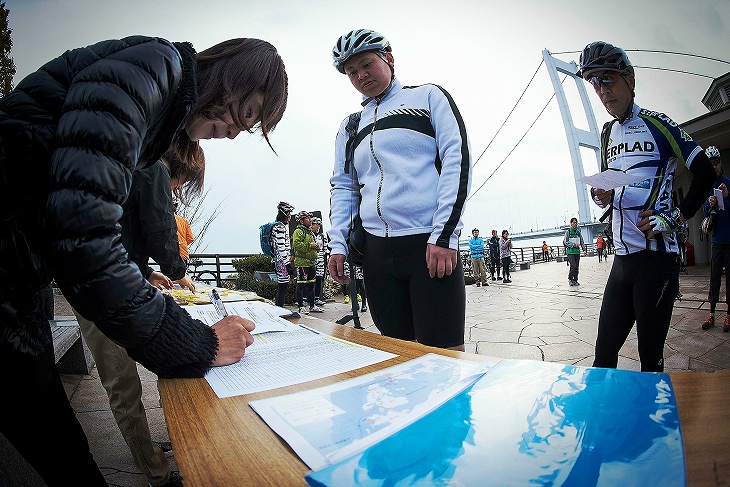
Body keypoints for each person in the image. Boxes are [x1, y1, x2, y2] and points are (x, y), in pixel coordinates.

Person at [0, 36, 288, 486]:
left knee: (60, 444)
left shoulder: (155, 113)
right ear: (233, 77)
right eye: (245, 114)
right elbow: (85, 238)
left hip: (19, 278)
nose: (234, 132)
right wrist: (199, 345)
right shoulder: (152, 67)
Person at [327, 29, 471, 351]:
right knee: (396, 355)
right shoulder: (351, 126)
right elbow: (345, 186)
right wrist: (338, 243)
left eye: (367, 65)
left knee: (445, 354)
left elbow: (456, 160)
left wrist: (445, 235)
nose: (361, 76)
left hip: (429, 245)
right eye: (352, 72)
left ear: (388, 59)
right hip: (377, 254)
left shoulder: (428, 97)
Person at [72, 147, 205, 487]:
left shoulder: (133, 164)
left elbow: (119, 233)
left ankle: (150, 451)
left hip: (103, 279)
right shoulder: (154, 167)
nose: (177, 189)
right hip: (97, 288)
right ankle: (157, 475)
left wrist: (145, 272)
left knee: (129, 375)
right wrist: (176, 271)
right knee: (122, 382)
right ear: (182, 164)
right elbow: (161, 233)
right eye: (183, 182)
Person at [579, 41, 714, 372]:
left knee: (650, 363)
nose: (602, 90)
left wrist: (675, 219)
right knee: (603, 358)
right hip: (621, 262)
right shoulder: (607, 132)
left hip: (656, 263)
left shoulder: (659, 124)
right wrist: (603, 195)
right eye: (593, 82)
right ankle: (603, 424)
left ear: (631, 79)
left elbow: (705, 172)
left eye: (607, 78)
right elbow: (610, 183)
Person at [701, 146, 730, 332]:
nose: (715, 166)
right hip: (717, 240)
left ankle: (728, 315)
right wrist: (709, 203)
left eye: (717, 162)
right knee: (714, 278)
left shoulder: (727, 183)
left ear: (721, 163)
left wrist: (728, 196)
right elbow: (704, 212)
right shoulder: (708, 186)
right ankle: (711, 313)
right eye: (711, 163)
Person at [293, 211, 324, 315]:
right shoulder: (298, 231)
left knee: (312, 284)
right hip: (302, 263)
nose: (310, 220)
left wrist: (317, 247)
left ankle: (312, 305)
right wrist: (310, 245)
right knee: (300, 285)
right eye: (307, 218)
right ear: (301, 221)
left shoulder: (310, 232)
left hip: (312, 263)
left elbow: (313, 245)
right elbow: (297, 245)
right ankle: (301, 307)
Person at [271, 202, 295, 308]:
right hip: (281, 262)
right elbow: (281, 248)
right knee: (283, 288)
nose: (290, 216)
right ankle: (279, 310)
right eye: (289, 213)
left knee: (282, 287)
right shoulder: (280, 228)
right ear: (285, 214)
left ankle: (279, 309)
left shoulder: (276, 226)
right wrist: (287, 263)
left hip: (276, 260)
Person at [311, 216, 329, 306]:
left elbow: (325, 250)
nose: (318, 226)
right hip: (312, 260)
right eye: (316, 224)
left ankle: (317, 298)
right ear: (312, 225)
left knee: (319, 279)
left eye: (319, 225)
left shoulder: (323, 236)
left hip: (321, 261)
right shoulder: (309, 235)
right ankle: (306, 298)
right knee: (310, 280)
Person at [563, 217, 585, 286]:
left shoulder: (578, 232)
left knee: (577, 267)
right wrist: (573, 245)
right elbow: (565, 241)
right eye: (574, 222)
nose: (575, 224)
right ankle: (570, 279)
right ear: (571, 223)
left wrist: (584, 249)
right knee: (573, 266)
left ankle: (575, 280)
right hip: (570, 252)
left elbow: (581, 241)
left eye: (576, 222)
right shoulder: (568, 232)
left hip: (577, 252)